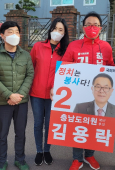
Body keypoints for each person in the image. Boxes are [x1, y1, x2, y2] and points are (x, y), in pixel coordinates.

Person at [51, 11, 115, 170]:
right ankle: (77, 158)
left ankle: (89, 155)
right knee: (78, 124)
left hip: (99, 93)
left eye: (95, 25)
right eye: (88, 25)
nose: (92, 28)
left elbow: (110, 68)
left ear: (101, 28)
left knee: (94, 124)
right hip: (78, 92)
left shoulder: (106, 47)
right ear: (83, 27)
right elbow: (64, 68)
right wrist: (57, 86)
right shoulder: (74, 46)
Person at [0, 21, 34, 170]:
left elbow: (30, 75)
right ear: (2, 35)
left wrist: (19, 95)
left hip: (21, 101)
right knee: (2, 135)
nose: (14, 35)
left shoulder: (25, 55)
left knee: (20, 133)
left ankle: (20, 159)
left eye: (16, 32)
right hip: (3, 102)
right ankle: (2, 161)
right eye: (10, 32)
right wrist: (9, 95)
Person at [29, 17, 69, 166]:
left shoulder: (66, 51)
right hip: (36, 93)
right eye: (54, 29)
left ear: (64, 34)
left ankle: (47, 150)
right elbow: (30, 68)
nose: (56, 32)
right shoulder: (38, 47)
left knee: (51, 124)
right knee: (38, 123)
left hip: (56, 95)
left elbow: (69, 73)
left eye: (60, 30)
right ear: (50, 30)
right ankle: (39, 151)